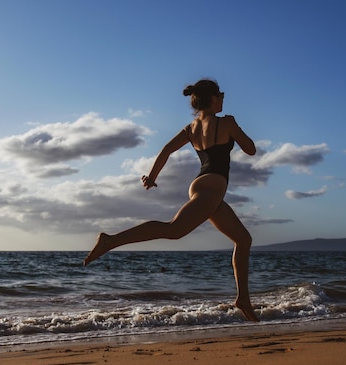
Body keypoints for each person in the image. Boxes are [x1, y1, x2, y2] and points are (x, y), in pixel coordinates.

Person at [83, 79, 259, 322]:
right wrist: (236, 130)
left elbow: (166, 149)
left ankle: (243, 299)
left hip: (204, 187)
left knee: (243, 239)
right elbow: (250, 149)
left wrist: (152, 177)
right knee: (174, 230)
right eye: (221, 95)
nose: (224, 99)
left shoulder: (191, 128)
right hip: (211, 188)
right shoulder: (226, 122)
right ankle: (110, 240)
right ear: (213, 99)